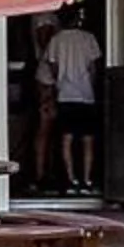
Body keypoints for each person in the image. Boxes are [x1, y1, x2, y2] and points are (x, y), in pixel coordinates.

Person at [39, 10, 104, 194]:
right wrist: (91, 84)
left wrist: (59, 80)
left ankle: (70, 179)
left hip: (65, 94)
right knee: (87, 139)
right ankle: (87, 179)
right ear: (78, 19)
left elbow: (52, 64)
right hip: (86, 94)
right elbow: (93, 67)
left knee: (66, 138)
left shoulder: (56, 40)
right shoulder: (89, 38)